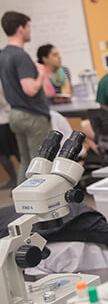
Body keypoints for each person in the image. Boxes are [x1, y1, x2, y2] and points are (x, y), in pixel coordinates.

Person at [0, 11, 51, 184]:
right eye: (28, 27)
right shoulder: (20, 56)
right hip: (32, 115)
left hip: (15, 114)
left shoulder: (3, 55)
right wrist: (41, 74)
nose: (30, 30)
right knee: (41, 161)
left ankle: (21, 204)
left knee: (26, 162)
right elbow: (30, 89)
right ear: (21, 29)